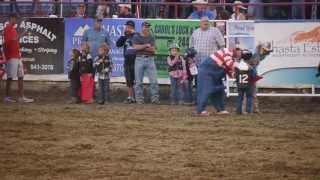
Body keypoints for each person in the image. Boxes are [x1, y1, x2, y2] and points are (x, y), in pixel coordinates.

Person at [196, 48, 243, 116]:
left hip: (216, 74)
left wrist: (237, 75)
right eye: (240, 52)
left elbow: (231, 73)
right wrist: (241, 67)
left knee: (219, 92)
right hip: (206, 72)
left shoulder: (232, 59)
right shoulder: (227, 51)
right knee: (206, 91)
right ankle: (200, 110)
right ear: (236, 50)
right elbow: (229, 64)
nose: (240, 54)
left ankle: (221, 109)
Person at [3, 13, 34, 103]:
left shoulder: (11, 29)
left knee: (21, 76)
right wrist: (23, 33)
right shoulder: (8, 28)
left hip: (16, 55)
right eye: (15, 19)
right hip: (12, 56)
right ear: (11, 18)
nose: (16, 20)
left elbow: (12, 41)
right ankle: (7, 97)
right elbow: (11, 40)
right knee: (10, 77)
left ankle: (21, 97)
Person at [132, 21, 160, 104]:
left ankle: (155, 99)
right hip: (139, 59)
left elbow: (153, 50)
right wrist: (146, 45)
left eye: (148, 27)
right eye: (145, 26)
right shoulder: (136, 36)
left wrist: (142, 47)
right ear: (142, 27)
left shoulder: (152, 37)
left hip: (150, 59)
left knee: (154, 81)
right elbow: (135, 47)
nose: (146, 28)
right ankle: (139, 99)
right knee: (138, 81)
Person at [116, 20, 137, 104]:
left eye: (129, 27)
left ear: (132, 28)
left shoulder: (136, 35)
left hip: (136, 60)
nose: (127, 28)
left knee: (136, 79)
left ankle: (136, 97)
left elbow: (138, 41)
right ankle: (130, 97)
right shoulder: (124, 36)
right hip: (127, 60)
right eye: (126, 27)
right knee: (129, 80)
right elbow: (118, 44)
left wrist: (133, 33)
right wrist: (124, 35)